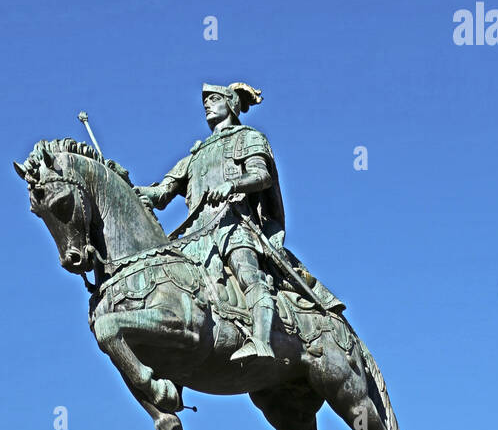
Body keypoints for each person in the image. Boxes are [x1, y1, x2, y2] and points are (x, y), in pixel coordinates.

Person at [135, 82, 343, 364]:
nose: (207, 104)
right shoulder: (195, 155)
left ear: (231, 104)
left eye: (214, 99)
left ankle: (261, 340)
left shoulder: (249, 138)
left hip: (233, 225)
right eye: (205, 101)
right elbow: (160, 194)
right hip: (194, 237)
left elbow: (262, 175)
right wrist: (128, 188)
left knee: (249, 275)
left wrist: (232, 184)